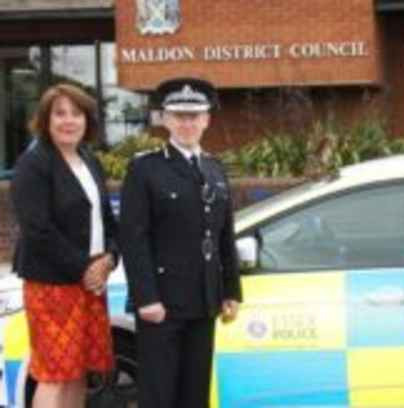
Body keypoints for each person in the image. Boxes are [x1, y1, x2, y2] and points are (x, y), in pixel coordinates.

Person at [119, 77, 242, 408]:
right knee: (160, 392)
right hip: (162, 302)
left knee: (195, 391)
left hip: (204, 298)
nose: (187, 123)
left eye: (195, 116)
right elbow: (133, 237)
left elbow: (224, 235)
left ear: (207, 120)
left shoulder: (215, 168)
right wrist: (145, 297)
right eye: (179, 116)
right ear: (165, 120)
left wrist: (230, 289)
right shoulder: (145, 169)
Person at [11, 83, 119, 408]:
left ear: (87, 121)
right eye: (59, 113)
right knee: (54, 375)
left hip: (91, 284)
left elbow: (107, 219)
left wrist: (111, 258)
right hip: (53, 285)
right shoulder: (34, 164)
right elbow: (37, 229)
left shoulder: (89, 160)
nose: (68, 121)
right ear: (46, 120)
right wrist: (84, 268)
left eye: (76, 113)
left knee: (78, 373)